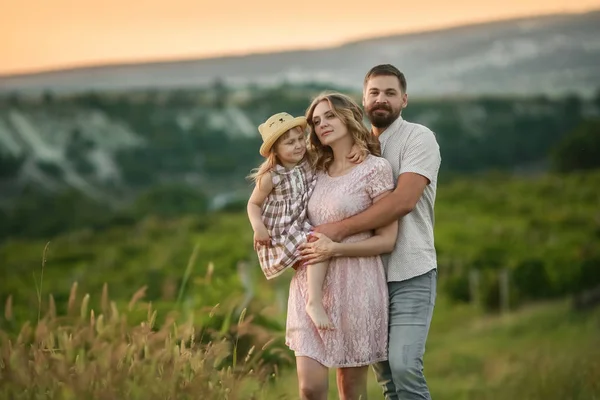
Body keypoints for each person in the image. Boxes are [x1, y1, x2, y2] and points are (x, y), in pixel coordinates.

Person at [306, 64, 442, 400]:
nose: (382, 99)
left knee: (404, 365)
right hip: (366, 276)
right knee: (386, 380)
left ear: (404, 99)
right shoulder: (359, 146)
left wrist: (336, 231)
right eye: (374, 93)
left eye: (390, 93)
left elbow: (403, 202)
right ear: (363, 101)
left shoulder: (418, 138)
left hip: (410, 270)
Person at [288, 92, 398, 400]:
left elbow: (386, 240)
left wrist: (335, 249)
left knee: (350, 390)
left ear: (348, 116)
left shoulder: (375, 169)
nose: (322, 124)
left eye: (330, 116)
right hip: (310, 288)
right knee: (309, 389)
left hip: (356, 284)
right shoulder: (312, 169)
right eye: (316, 121)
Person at [246, 112, 365, 330]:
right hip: (283, 231)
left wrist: (357, 147)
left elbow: (336, 149)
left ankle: (327, 298)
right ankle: (314, 302)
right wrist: (258, 227)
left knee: (317, 245)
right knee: (317, 243)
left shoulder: (309, 159)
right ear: (275, 150)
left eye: (300, 139)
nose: (298, 145)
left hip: (301, 223)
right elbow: (253, 204)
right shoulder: (271, 176)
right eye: (290, 143)